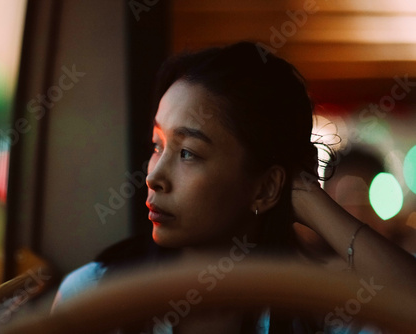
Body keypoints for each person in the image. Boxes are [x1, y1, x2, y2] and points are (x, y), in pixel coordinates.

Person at [51, 42, 416, 333]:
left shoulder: (324, 314)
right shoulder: (95, 297)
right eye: (157, 145)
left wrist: (307, 197)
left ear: (264, 187)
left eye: (188, 153)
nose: (153, 177)